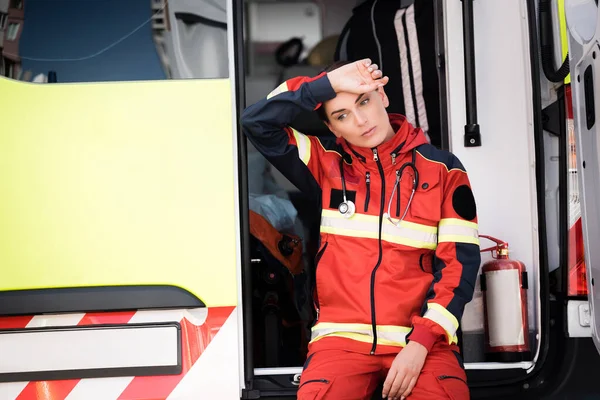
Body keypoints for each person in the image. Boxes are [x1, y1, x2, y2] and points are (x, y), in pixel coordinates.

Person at [240, 59, 481, 400]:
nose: (361, 120)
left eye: (364, 101)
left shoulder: (443, 169)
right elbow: (257, 121)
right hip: (340, 343)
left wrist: (422, 343)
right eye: (342, 115)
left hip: (422, 343)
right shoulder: (325, 165)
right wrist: (325, 83)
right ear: (334, 128)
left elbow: (460, 266)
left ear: (382, 95)